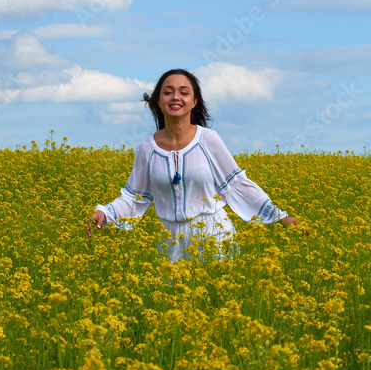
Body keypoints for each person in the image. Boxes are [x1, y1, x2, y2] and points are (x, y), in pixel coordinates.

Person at [86, 68, 300, 262]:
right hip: (169, 242)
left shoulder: (208, 139)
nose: (176, 97)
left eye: (184, 92)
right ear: (158, 101)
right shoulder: (147, 148)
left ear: (194, 101)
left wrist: (280, 218)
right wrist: (104, 213)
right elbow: (134, 198)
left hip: (214, 235)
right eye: (168, 92)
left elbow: (237, 185)